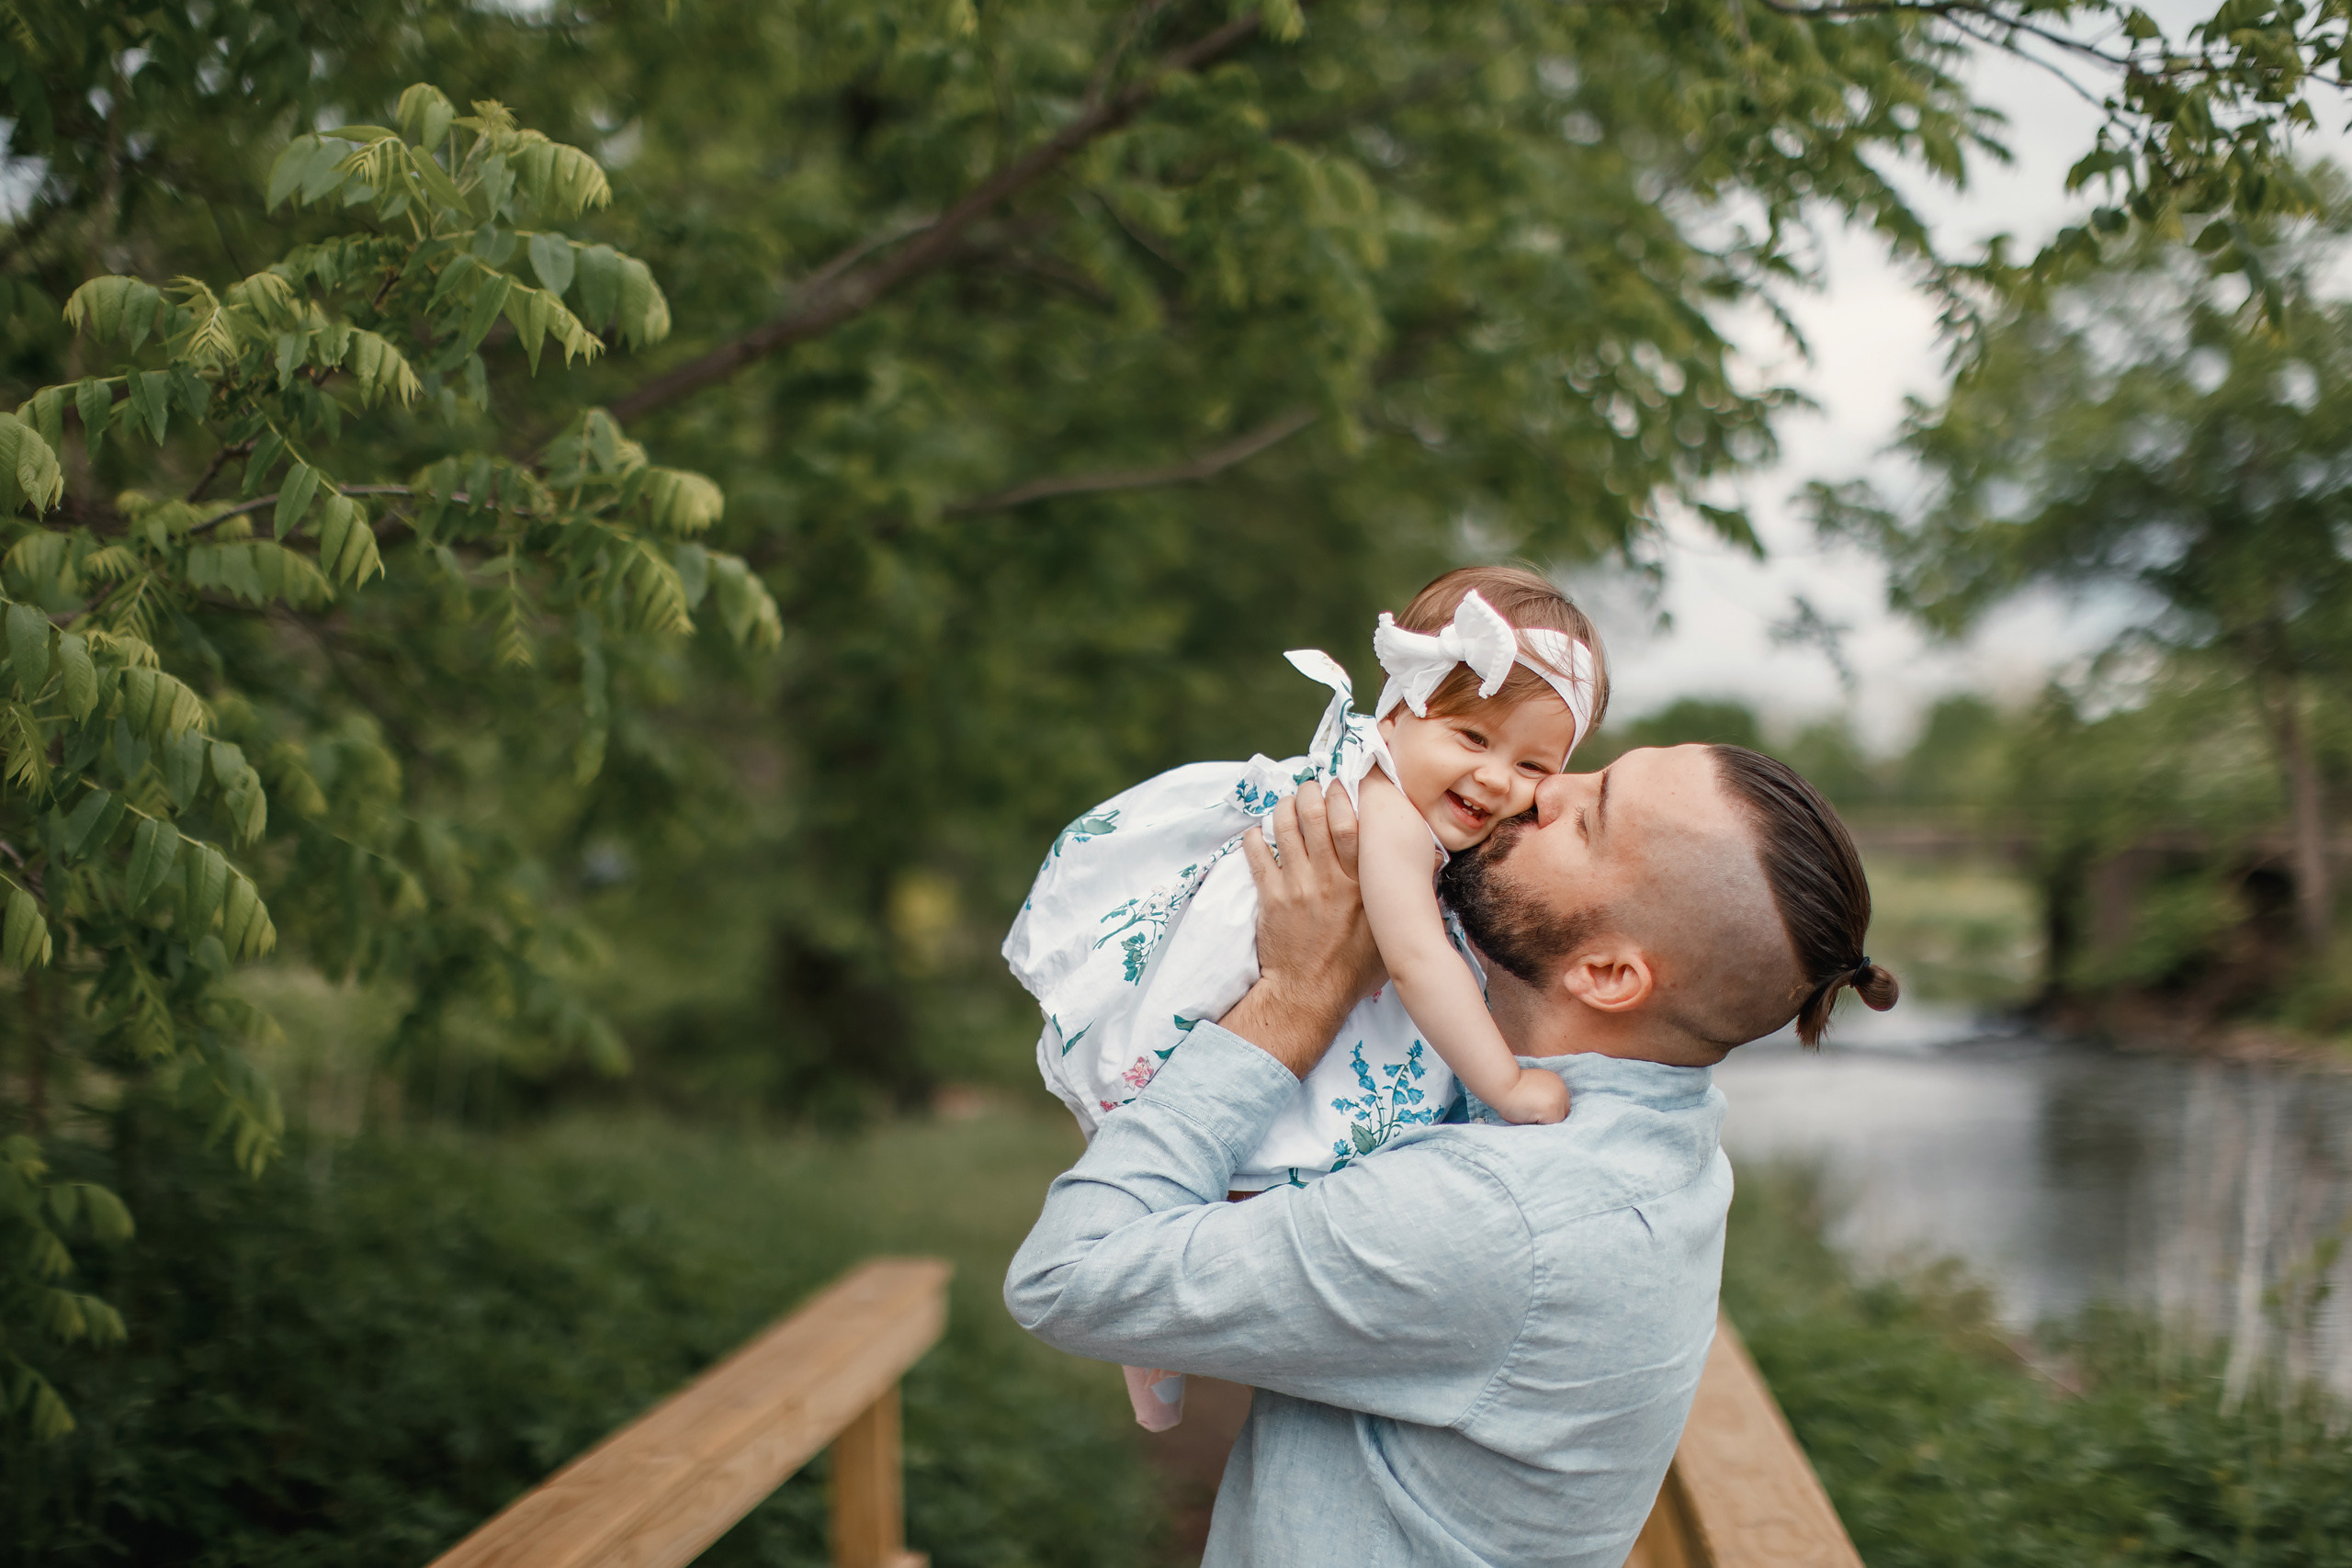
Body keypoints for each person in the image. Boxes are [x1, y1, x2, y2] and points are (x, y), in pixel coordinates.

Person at [1005, 744, 1897, 1567]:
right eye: (1589, 772)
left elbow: (1067, 1277)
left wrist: (1293, 1001)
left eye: (1584, 819)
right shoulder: (1657, 1135)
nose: (1543, 786)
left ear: (1608, 975)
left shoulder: (1500, 1215)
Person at [1002, 567, 1608, 1429]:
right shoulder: (1386, 814)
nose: (1496, 780)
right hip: (1241, 983)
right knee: (1264, 1170)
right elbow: (1413, 958)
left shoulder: (1411, 798)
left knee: (1217, 1164)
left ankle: (1157, 1349)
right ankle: (1160, 1328)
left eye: (1533, 764)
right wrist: (1507, 1086)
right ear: (1402, 708)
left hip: (1248, 986)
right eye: (1472, 736)